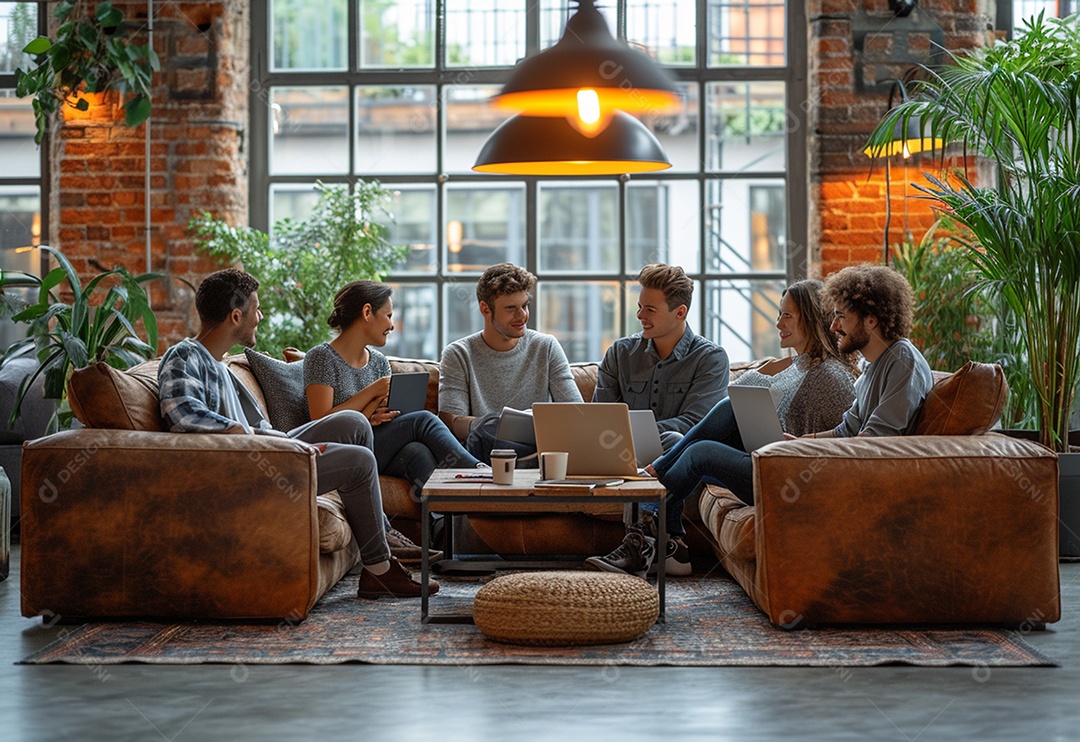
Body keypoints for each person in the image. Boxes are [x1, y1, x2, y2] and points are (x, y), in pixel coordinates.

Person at [158, 269, 437, 600]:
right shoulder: (185, 355)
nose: (259, 317)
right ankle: (380, 570)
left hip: (266, 451)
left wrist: (291, 445)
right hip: (244, 466)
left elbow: (260, 428)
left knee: (353, 422)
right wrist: (243, 435)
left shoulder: (222, 367)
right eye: (256, 309)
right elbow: (182, 414)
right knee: (360, 460)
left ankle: (382, 537)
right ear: (236, 316)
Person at [588, 278, 862, 578]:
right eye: (779, 313)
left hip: (791, 476)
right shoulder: (799, 366)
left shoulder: (831, 377)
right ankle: (658, 538)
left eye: (787, 315)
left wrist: (798, 444)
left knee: (700, 452)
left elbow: (847, 446)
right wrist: (768, 372)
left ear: (810, 319)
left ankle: (645, 527)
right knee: (721, 415)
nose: (777, 322)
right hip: (769, 460)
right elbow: (741, 397)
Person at [304, 281, 487, 561]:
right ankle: (477, 471)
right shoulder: (321, 358)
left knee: (417, 451)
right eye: (388, 315)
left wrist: (377, 414)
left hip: (377, 443)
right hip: (342, 452)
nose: (392, 324)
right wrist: (373, 392)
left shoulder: (378, 361)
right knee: (423, 421)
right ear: (367, 312)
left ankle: (444, 541)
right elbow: (321, 420)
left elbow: (375, 414)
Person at [438, 263, 582, 463]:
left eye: (524, 305)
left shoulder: (545, 346)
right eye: (511, 308)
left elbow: (576, 412)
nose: (522, 315)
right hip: (489, 448)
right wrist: (495, 424)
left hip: (538, 448)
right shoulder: (459, 354)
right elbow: (452, 423)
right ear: (485, 309)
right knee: (483, 435)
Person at [592, 263, 729, 450]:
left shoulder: (710, 359)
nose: (640, 315)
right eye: (640, 307)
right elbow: (601, 417)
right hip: (620, 451)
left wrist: (632, 433)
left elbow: (696, 424)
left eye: (650, 309)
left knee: (674, 439)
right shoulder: (619, 353)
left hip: (678, 457)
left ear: (680, 312)